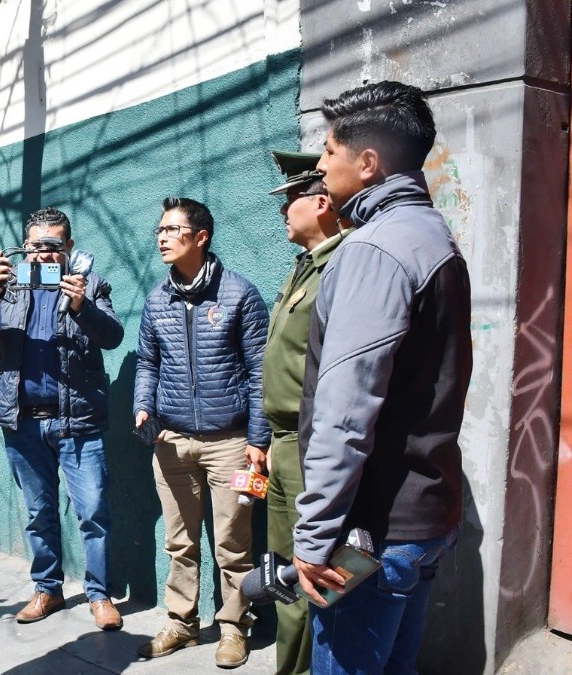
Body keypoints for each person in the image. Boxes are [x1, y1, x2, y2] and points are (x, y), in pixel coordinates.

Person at [292, 80, 472, 674]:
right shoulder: (432, 235)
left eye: (329, 151)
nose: (320, 166)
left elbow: (347, 408)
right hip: (421, 521)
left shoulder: (376, 248)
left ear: (368, 163)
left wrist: (315, 537)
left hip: (371, 531)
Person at [0, 207, 125, 630]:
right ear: (25, 248)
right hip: (23, 423)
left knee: (93, 512)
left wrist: (81, 306)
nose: (45, 256)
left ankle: (100, 595)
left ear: (69, 248)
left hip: (78, 422)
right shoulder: (9, 288)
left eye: (54, 247)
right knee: (38, 512)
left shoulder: (91, 286)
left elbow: (112, 335)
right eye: (36, 247)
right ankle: (47, 589)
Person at [133, 197, 270, 668]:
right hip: (171, 442)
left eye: (172, 229)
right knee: (180, 543)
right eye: (160, 230)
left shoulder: (239, 295)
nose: (162, 237)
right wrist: (142, 406)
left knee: (233, 545)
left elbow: (259, 372)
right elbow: (148, 363)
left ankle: (233, 628)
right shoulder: (156, 299)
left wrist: (257, 439)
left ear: (201, 237)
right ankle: (182, 624)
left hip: (230, 442)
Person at [261, 151, 347, 675]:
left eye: (291, 199)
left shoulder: (341, 266)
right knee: (280, 573)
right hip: (283, 442)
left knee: (304, 577)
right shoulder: (304, 266)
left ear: (321, 201)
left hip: (311, 442)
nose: (283, 210)